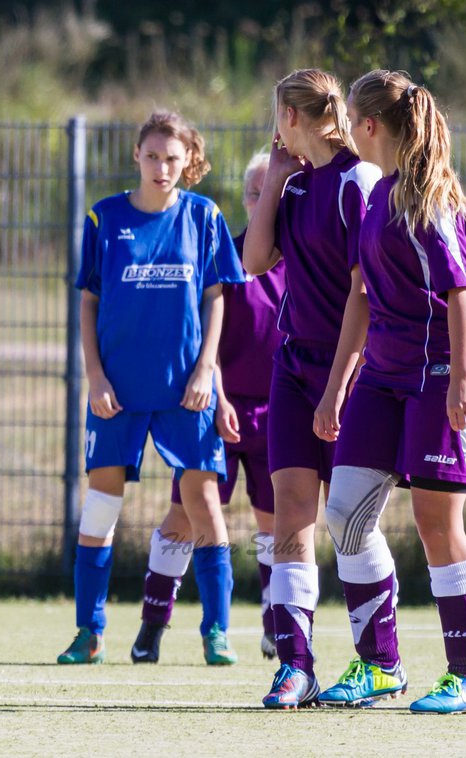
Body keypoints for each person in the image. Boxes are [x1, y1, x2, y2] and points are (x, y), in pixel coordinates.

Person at [316, 71, 466, 714]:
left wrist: (463, 381)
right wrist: (337, 387)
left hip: (443, 375)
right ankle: (380, 665)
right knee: (346, 512)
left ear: (368, 127)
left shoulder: (430, 201)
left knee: (435, 523)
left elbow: (461, 292)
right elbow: (360, 296)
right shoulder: (375, 195)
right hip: (383, 376)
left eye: (347, 120)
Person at [57, 110, 245, 669]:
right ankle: (89, 633)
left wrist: (206, 368)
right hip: (115, 390)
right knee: (99, 511)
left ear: (189, 161)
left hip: (185, 390)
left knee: (205, 503)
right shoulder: (104, 217)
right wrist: (94, 374)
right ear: (136, 156)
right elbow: (89, 301)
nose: (161, 167)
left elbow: (216, 297)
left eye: (172, 158)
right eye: (152, 156)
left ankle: (216, 632)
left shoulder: (204, 216)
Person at [242, 69, 382, 709]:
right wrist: (272, 180)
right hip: (292, 367)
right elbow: (255, 261)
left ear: (293, 118)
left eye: (277, 118)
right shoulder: (295, 185)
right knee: (291, 515)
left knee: (349, 520)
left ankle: (379, 661)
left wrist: (336, 390)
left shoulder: (359, 182)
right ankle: (295, 665)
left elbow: (362, 294)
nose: (274, 131)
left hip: (349, 373)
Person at [213, 152, 285, 660]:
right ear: (245, 199)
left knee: (273, 522)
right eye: (256, 194)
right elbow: (207, 339)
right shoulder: (227, 256)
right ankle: (156, 623)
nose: (265, 202)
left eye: (274, 192)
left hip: (280, 411)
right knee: (192, 511)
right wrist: (215, 395)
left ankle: (273, 621)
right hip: (222, 409)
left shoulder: (303, 258)